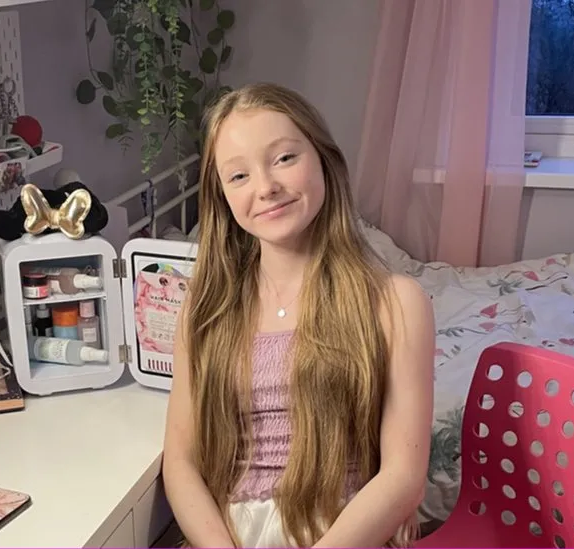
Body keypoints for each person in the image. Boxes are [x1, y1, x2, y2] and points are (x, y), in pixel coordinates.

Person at [161, 82, 435, 548]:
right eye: (239, 176)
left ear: (323, 160)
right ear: (223, 197)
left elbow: (403, 476)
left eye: (285, 158)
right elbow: (181, 461)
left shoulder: (396, 303)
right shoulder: (204, 311)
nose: (267, 188)